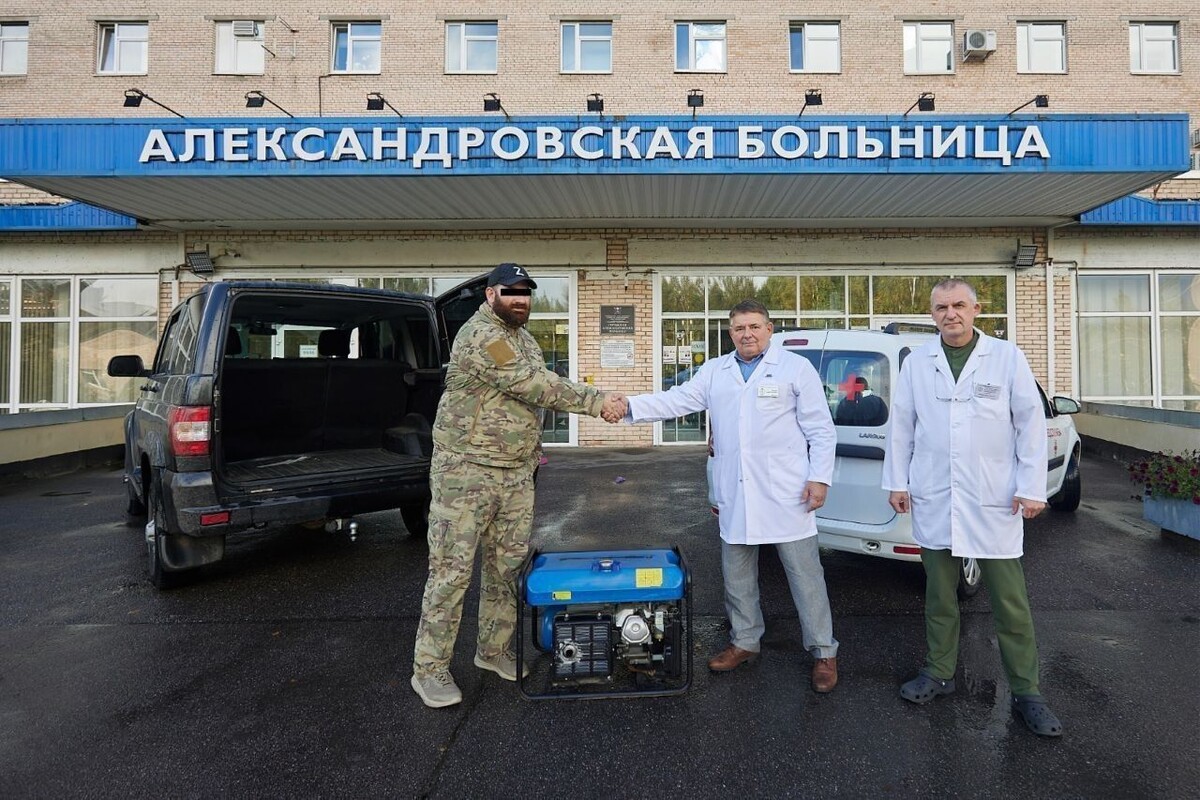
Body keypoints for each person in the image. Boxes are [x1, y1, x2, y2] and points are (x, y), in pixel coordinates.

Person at [411, 262, 627, 708]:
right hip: (466, 473)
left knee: (506, 569)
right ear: (490, 295)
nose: (520, 299)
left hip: (514, 474)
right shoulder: (480, 336)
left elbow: (528, 398)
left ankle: (492, 651)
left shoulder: (524, 339)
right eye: (510, 291)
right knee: (451, 573)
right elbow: (530, 385)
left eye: (526, 292)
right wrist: (597, 401)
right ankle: (429, 669)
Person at [618, 299, 841, 692]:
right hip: (736, 490)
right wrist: (627, 406)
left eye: (754, 326)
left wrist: (819, 478)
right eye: (739, 328)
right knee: (737, 577)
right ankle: (744, 641)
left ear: (769, 329)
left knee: (805, 576)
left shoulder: (795, 368)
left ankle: (824, 652)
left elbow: (821, 429)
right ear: (730, 333)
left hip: (787, 491)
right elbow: (676, 399)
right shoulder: (715, 370)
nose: (747, 334)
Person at [881, 278, 1063, 737]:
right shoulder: (917, 362)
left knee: (1010, 603)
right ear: (932, 314)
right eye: (942, 307)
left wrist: (1032, 487)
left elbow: (1030, 425)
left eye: (959, 305)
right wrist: (897, 481)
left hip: (993, 497)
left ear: (977, 309)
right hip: (935, 493)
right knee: (939, 595)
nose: (951, 314)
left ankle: (1027, 692)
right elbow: (902, 425)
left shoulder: (1006, 357)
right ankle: (939, 671)